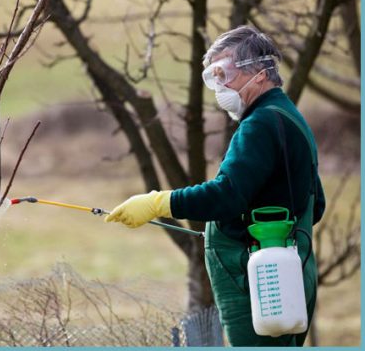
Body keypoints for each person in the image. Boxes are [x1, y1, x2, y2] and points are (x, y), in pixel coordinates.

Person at [104, 25, 325, 346]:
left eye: (225, 74)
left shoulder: (260, 124)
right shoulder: (289, 117)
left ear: (260, 74)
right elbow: (314, 205)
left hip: (259, 284)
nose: (219, 86)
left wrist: (158, 203)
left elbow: (227, 196)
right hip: (292, 278)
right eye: (213, 77)